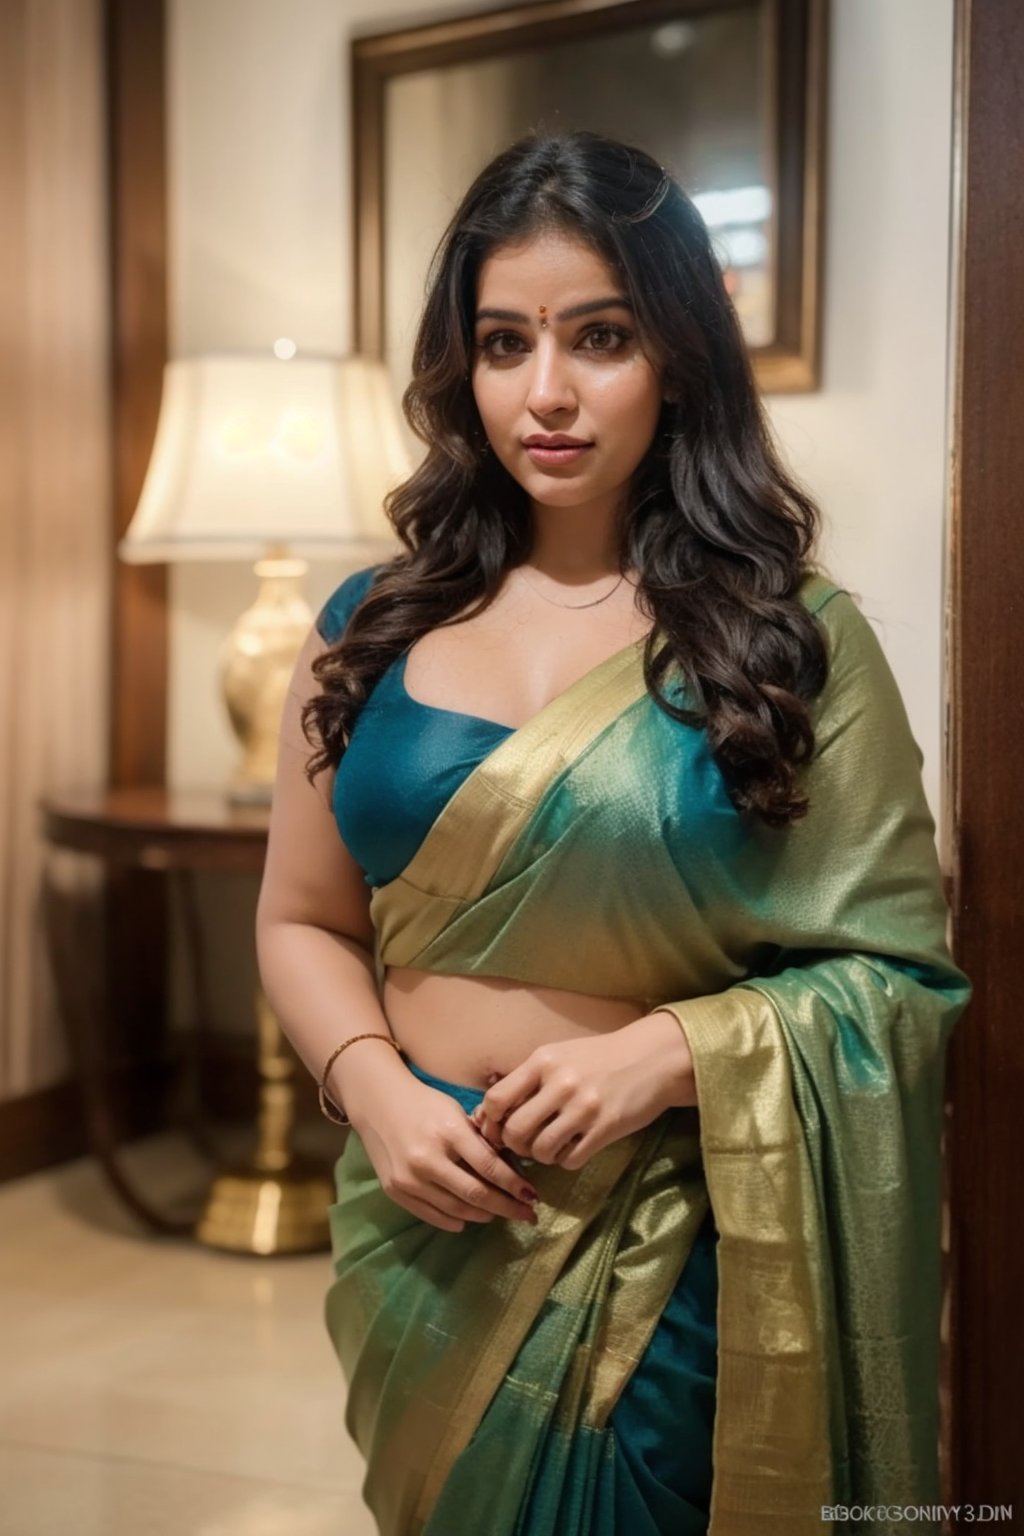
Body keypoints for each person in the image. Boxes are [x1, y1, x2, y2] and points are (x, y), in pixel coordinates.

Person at [254, 129, 972, 1536]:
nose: (550, 393)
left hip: (677, 1240)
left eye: (602, 337)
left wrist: (667, 1055)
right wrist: (379, 1093)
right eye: (506, 342)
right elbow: (302, 919)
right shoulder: (368, 628)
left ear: (682, 356)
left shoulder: (790, 644)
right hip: (424, 1221)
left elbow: (902, 981)